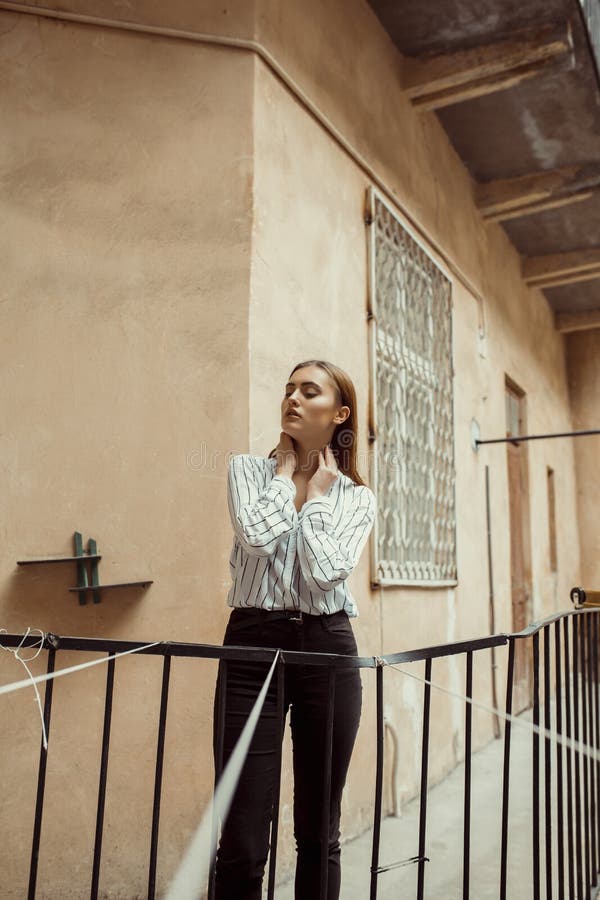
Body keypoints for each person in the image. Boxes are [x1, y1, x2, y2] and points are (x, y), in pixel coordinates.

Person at [212, 359, 376, 900]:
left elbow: (326, 572)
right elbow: (257, 539)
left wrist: (322, 499)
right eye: (289, 390)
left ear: (339, 413)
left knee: (318, 830)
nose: (294, 399)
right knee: (240, 832)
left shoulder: (355, 497)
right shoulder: (246, 471)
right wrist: (285, 479)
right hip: (252, 645)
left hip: (327, 649)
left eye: (310, 391)